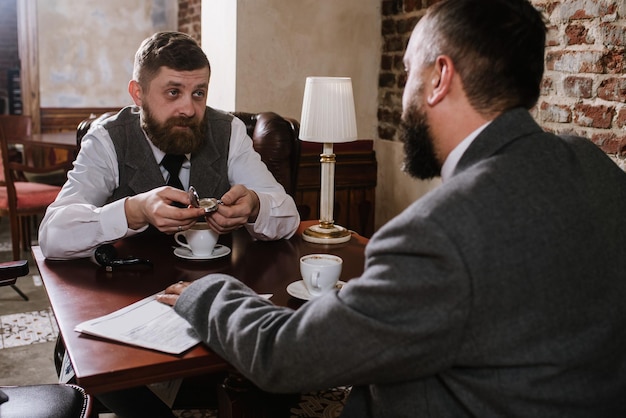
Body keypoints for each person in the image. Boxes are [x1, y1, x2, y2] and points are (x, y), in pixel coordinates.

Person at [158, 0, 626, 416]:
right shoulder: (594, 165)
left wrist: (210, 294)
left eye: (407, 74)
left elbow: (288, 357)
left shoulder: (437, 233)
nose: (403, 96)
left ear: (439, 77)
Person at [38, 31, 300, 260]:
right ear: (138, 94)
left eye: (198, 93)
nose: (188, 109)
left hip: (215, 286)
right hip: (127, 290)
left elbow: (288, 216)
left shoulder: (228, 131)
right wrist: (133, 211)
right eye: (173, 92)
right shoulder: (107, 139)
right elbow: (52, 236)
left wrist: (255, 206)